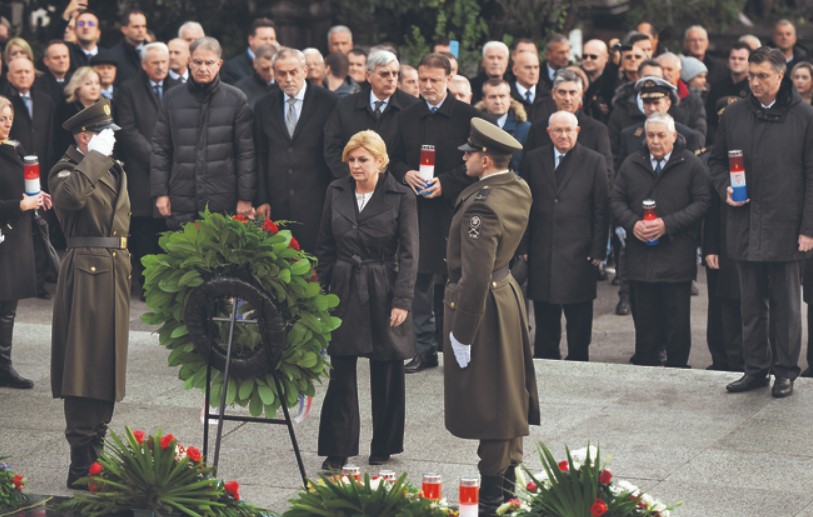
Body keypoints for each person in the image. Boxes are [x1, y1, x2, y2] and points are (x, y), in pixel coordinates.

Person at [443, 117, 539, 515]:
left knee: (493, 401)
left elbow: (475, 274)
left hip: (483, 306)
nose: (464, 157)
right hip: (507, 295)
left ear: (485, 159)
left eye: (469, 152)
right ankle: (508, 489)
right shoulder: (516, 188)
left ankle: (491, 500)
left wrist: (462, 333)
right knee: (509, 392)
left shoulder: (482, 207)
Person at [709, 47, 813, 398]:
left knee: (786, 305)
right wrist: (725, 186)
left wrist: (808, 229)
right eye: (751, 75)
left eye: (762, 75)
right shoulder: (734, 114)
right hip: (744, 221)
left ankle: (785, 370)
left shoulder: (805, 117)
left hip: (787, 224)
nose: (753, 81)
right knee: (750, 302)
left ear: (780, 76)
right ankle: (755, 369)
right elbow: (715, 162)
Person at [316, 130, 418, 471]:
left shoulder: (401, 196)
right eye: (352, 160)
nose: (356, 166)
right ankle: (337, 448)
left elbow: (409, 253)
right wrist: (320, 296)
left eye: (363, 159)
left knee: (387, 365)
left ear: (380, 160)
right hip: (344, 284)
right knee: (341, 366)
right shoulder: (335, 190)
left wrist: (402, 300)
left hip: (385, 284)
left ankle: (384, 444)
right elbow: (325, 247)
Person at [48, 99, 131, 489]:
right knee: (83, 366)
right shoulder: (66, 170)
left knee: (107, 363)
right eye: (103, 135)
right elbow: (69, 200)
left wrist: (100, 159)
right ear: (85, 137)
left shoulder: (112, 168)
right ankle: (80, 464)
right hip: (85, 271)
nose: (111, 142)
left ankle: (96, 455)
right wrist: (94, 159)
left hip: (113, 270)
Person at [389, 53, 482, 374]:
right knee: (420, 284)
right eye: (422, 80)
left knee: (459, 282)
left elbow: (479, 163)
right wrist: (406, 174)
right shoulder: (406, 116)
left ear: (448, 79)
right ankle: (424, 350)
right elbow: (393, 159)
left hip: (457, 209)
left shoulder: (468, 115)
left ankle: (461, 351)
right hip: (419, 211)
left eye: (434, 80)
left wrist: (447, 182)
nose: (427, 86)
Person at [611, 112, 710, 368]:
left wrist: (668, 224)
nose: (655, 141)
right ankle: (645, 361)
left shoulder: (690, 164)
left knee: (677, 319)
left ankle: (678, 365)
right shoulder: (632, 163)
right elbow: (615, 199)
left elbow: (702, 202)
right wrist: (633, 224)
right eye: (650, 135)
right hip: (640, 255)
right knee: (644, 317)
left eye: (661, 135)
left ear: (674, 136)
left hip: (676, 254)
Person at [520, 110, 609, 361]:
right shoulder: (533, 159)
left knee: (579, 317)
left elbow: (601, 209)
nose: (563, 135)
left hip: (580, 252)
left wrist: (598, 250)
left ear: (577, 131)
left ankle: (579, 361)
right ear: (549, 133)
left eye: (569, 130)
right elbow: (523, 206)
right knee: (545, 316)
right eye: (558, 130)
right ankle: (547, 362)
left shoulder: (594, 161)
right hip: (542, 250)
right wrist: (523, 245)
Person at [151, 37, 255, 230]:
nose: (203, 68)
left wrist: (245, 198)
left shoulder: (236, 99)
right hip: (181, 195)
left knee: (222, 256)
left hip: (224, 196)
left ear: (219, 64)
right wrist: (160, 193)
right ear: (189, 62)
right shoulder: (172, 98)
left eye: (209, 63)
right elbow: (160, 149)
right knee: (181, 255)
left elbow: (246, 152)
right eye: (197, 62)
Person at [254, 47, 337, 252]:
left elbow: (334, 151)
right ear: (274, 74)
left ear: (305, 71)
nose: (288, 78)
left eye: (293, 72)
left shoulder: (329, 102)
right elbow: (260, 154)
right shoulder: (264, 106)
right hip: (277, 200)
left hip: (316, 199)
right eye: (282, 73)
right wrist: (262, 198)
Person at [116, 42, 179, 298]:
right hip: (142, 172)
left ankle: (167, 286)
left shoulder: (179, 89)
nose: (161, 66)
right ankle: (146, 286)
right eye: (155, 62)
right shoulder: (128, 90)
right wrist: (157, 158)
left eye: (164, 61)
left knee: (168, 230)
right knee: (143, 231)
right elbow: (128, 131)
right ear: (144, 65)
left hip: (174, 172)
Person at [0, 96, 49, 389]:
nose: (6, 123)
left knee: (7, 306)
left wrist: (37, 197)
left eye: (8, 117)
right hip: (6, 229)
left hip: (14, 236)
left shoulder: (13, 149)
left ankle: (3, 365)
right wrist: (18, 206)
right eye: (0, 118)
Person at [324, 50, 419, 179]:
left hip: (396, 189)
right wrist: (352, 178)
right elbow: (332, 148)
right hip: (352, 186)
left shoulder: (413, 107)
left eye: (395, 74)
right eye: (384, 74)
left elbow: (415, 151)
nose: (391, 78)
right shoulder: (346, 105)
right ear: (368, 76)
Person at [476, 78, 529, 171]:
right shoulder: (474, 126)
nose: (498, 101)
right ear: (484, 100)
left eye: (502, 96)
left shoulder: (525, 128)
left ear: (510, 98)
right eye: (492, 97)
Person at [53, 66, 101, 167]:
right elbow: (61, 143)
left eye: (97, 83)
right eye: (88, 83)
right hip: (74, 165)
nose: (94, 87)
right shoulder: (65, 110)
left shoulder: (105, 108)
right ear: (77, 87)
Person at [221, 18, 277, 85]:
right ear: (251, 40)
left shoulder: (282, 66)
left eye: (272, 39)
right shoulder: (232, 68)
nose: (269, 43)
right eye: (264, 39)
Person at [510, 50, 551, 124]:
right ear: (515, 70)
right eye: (528, 67)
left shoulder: (549, 96)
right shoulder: (506, 96)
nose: (533, 72)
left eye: (536, 67)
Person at [108, 9, 148, 83]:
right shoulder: (113, 55)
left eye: (143, 26)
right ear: (124, 29)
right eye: (136, 27)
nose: (141, 30)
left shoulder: (153, 52)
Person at [233, 43, 278, 108]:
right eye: (265, 69)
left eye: (274, 68)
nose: (270, 73)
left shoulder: (284, 86)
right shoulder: (240, 89)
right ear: (255, 64)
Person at [36, 40, 73, 106]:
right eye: (56, 58)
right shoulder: (38, 85)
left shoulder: (77, 81)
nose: (62, 61)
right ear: (46, 61)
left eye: (65, 56)